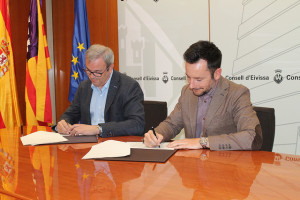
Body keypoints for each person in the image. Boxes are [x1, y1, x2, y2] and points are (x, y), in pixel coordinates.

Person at [144, 40, 262, 150]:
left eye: (198, 79)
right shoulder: (187, 92)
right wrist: (156, 135)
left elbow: (252, 136)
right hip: (192, 165)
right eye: (188, 77)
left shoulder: (237, 93)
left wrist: (203, 142)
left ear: (216, 74)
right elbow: (171, 125)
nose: (191, 85)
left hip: (224, 165)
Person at [56, 44, 145, 137]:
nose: (91, 76)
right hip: (87, 145)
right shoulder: (84, 87)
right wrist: (63, 124)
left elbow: (137, 124)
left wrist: (99, 129)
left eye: (97, 72)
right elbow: (70, 115)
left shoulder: (129, 86)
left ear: (110, 68)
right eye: (88, 70)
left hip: (115, 145)